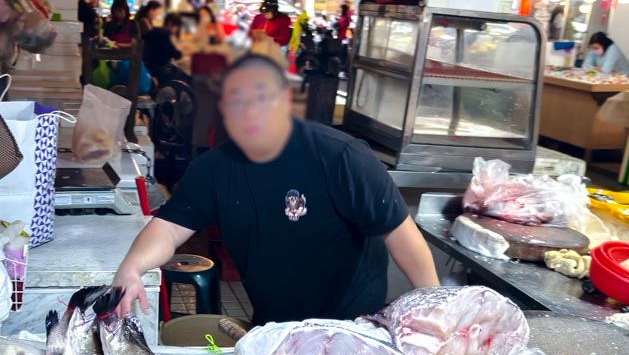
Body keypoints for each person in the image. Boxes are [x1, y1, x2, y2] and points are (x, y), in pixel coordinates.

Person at [113, 54, 439, 324]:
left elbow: (399, 233)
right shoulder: (213, 169)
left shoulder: (340, 156)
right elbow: (168, 229)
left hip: (352, 328)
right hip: (274, 329)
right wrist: (131, 267)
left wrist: (437, 310)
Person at [142, 13, 186, 85]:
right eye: (177, 27)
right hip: (159, 70)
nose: (176, 30)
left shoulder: (153, 31)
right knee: (182, 74)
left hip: (146, 67)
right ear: (170, 23)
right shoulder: (166, 36)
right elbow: (176, 55)